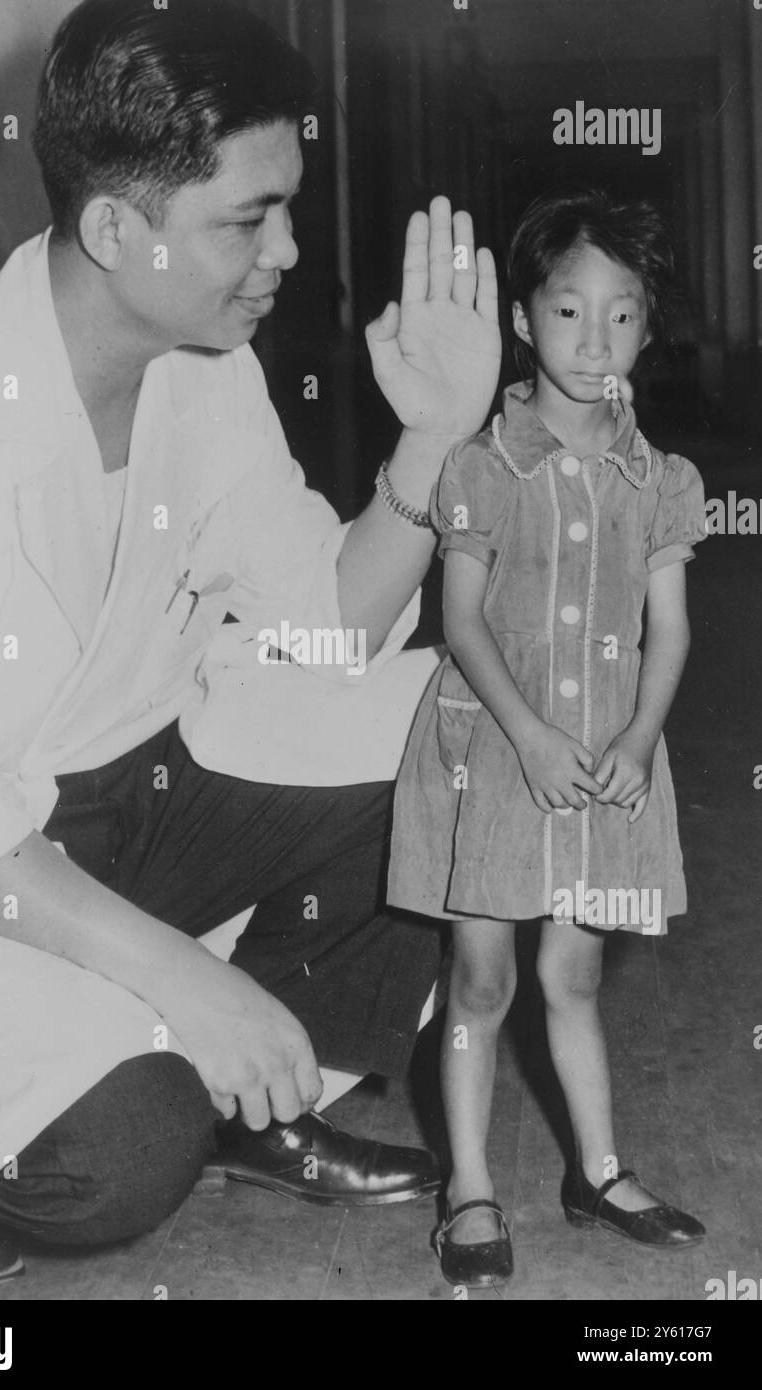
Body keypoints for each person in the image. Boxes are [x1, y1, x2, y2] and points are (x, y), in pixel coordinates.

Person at [0, 0, 502, 1287]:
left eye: (287, 207)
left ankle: (263, 1103)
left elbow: (324, 640)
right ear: (114, 229)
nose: (288, 249)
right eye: (246, 218)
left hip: (138, 800)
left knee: (455, 734)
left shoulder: (203, 366)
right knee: (125, 1155)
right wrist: (181, 979)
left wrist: (430, 449)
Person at [388, 190, 708, 1289]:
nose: (594, 339)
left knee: (572, 978)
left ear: (646, 329)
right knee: (482, 980)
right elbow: (461, 618)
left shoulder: (660, 479)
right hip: (495, 753)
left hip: (603, 760)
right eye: (568, 312)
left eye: (621, 316)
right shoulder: (481, 464)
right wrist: (525, 733)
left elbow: (666, 629)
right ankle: (467, 1187)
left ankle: (599, 1171)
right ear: (523, 319)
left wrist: (640, 735)